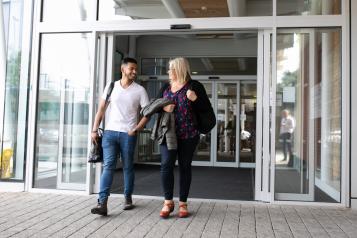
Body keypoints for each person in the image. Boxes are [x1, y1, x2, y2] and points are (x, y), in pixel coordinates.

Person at [90, 57, 149, 216]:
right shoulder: (111, 86)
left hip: (128, 134)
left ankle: (128, 197)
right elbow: (101, 109)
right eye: (132, 69)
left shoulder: (140, 90)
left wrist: (136, 129)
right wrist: (94, 130)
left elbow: (147, 113)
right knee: (108, 166)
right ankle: (102, 203)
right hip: (109, 133)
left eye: (136, 69)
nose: (134, 72)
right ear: (123, 69)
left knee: (128, 166)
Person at [157, 57, 211, 218]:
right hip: (169, 134)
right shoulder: (166, 87)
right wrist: (164, 107)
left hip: (189, 134)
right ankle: (168, 202)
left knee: (185, 166)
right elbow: (155, 105)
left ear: (179, 69)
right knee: (166, 165)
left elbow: (206, 109)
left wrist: (196, 99)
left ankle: (183, 203)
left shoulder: (195, 86)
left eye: (170, 69)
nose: (168, 72)